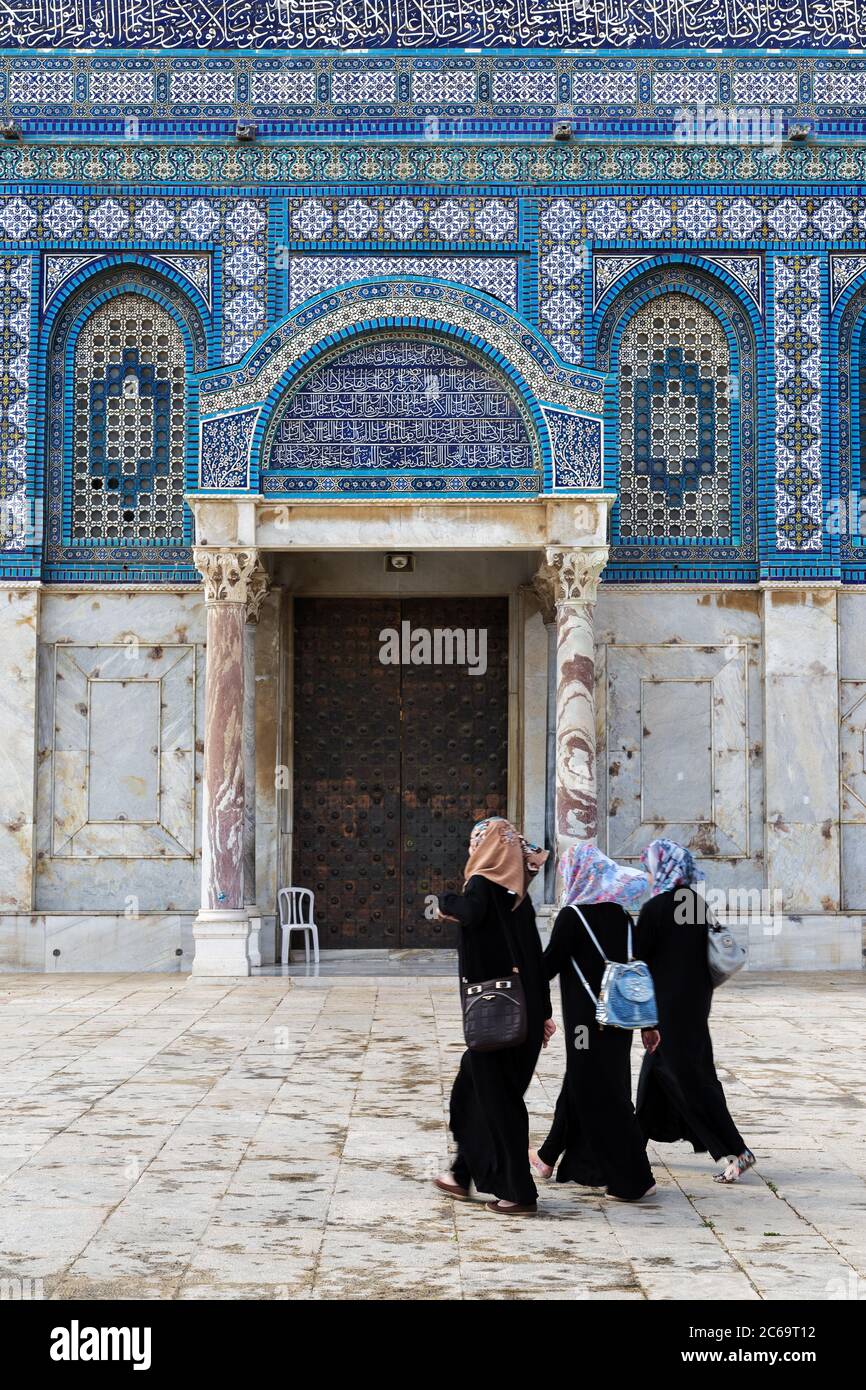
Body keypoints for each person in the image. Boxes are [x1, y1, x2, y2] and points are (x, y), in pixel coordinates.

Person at [433, 818, 554, 1215]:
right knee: (476, 1092)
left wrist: (444, 900)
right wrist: (545, 1013)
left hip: (496, 1013)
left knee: (497, 1099)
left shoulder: (483, 885)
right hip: (524, 1010)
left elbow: (470, 911)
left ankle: (518, 1192)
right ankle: (461, 1173)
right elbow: (532, 958)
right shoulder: (517, 894)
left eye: (476, 842)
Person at [531, 844, 659, 1202]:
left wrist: (517, 971)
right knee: (595, 1085)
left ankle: (634, 1178)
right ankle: (569, 1162)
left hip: (586, 1025)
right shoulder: (621, 915)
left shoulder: (573, 916)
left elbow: (548, 966)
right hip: (621, 1021)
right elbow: (638, 972)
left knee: (601, 1097)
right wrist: (650, 1022)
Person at [635, 837, 755, 1185]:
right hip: (695, 1005)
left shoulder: (656, 908)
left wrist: (646, 1019)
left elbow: (640, 964)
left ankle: (736, 1150)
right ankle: (631, 1146)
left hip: (667, 1012)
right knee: (653, 1080)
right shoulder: (696, 904)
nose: (646, 873)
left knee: (691, 1081)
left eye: (649, 867)